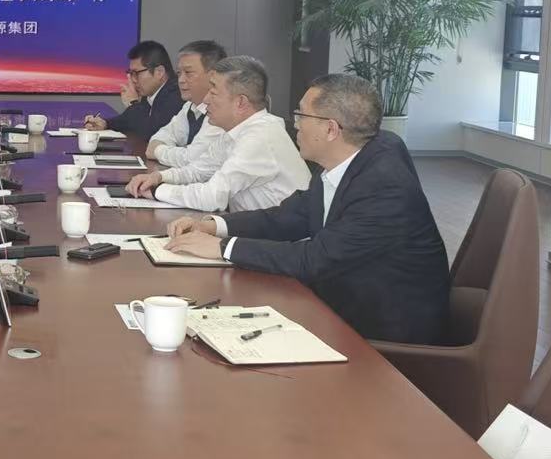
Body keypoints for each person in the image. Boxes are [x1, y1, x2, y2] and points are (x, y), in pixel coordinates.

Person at [165, 73, 452, 346]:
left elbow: (315, 258)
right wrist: (213, 226)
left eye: (301, 115)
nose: (296, 125)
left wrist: (223, 248)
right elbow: (291, 216)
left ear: (331, 129)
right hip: (338, 302)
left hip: (380, 334)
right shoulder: (345, 157)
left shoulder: (384, 188)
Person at [126, 56, 309, 211]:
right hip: (251, 231)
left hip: (278, 239)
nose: (206, 100)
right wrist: (159, 177)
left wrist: (157, 191)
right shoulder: (236, 131)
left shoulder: (260, 136)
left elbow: (211, 197)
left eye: (213, 93)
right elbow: (198, 170)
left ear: (240, 102)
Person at [145, 39, 227, 169]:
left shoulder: (223, 110)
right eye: (179, 73)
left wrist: (158, 151)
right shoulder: (190, 106)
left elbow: (194, 160)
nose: (181, 80)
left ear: (213, 76)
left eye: (188, 73)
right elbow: (160, 137)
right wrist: (162, 149)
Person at [82, 40, 183, 141]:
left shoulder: (176, 94)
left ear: (159, 72)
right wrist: (105, 123)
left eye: (136, 73)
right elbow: (128, 121)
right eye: (131, 73)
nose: (133, 80)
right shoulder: (150, 93)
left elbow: (152, 134)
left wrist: (133, 103)